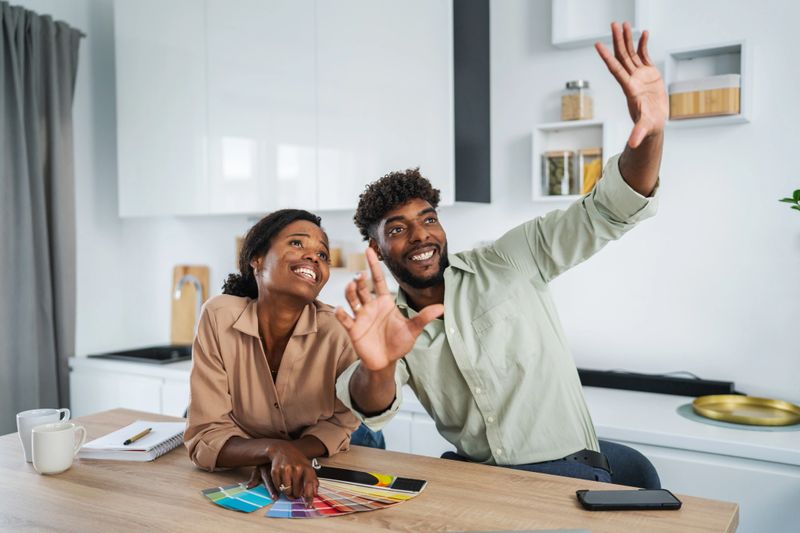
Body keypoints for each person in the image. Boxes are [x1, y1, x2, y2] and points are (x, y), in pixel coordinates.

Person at [333, 22, 665, 487]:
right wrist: (379, 365)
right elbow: (372, 406)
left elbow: (610, 209)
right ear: (376, 248)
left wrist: (651, 132)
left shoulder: (510, 258)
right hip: (481, 484)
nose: (421, 236)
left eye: (428, 219)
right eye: (398, 229)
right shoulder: (392, 325)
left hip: (568, 474)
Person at [184, 209, 362, 507]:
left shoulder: (339, 330)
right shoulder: (218, 316)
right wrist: (273, 450)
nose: (313, 256)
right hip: (252, 468)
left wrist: (287, 453)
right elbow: (204, 438)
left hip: (328, 455)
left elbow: (337, 426)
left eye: (322, 254)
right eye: (297, 243)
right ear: (257, 259)